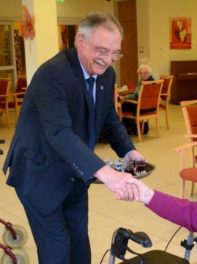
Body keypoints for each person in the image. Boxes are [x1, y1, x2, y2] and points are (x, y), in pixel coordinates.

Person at [2, 12, 144, 264]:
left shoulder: (106, 75)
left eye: (115, 53)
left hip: (75, 172)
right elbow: (59, 132)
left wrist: (130, 152)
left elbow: (109, 119)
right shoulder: (53, 74)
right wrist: (107, 174)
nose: (108, 60)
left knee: (79, 247)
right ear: (80, 41)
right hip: (39, 174)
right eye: (101, 50)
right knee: (57, 251)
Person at [120, 63, 156, 134]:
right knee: (126, 104)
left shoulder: (145, 83)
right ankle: (134, 127)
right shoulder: (153, 81)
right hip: (152, 106)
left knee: (122, 106)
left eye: (145, 73)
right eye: (140, 73)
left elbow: (136, 96)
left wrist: (124, 97)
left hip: (142, 107)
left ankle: (128, 128)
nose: (142, 75)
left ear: (149, 73)